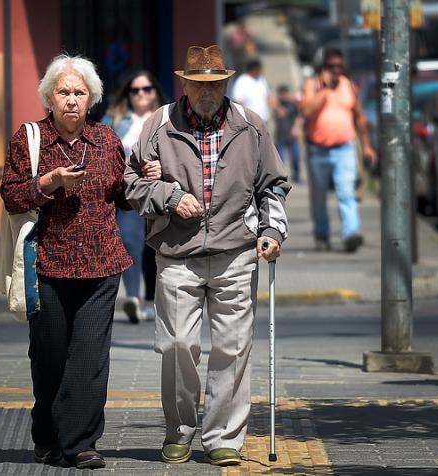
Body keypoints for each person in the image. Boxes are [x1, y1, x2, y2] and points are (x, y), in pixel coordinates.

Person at [124, 45, 290, 467]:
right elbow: (131, 182)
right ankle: (179, 429)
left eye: (214, 85)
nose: (206, 92)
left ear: (225, 84)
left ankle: (223, 437)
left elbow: (272, 185)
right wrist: (168, 196)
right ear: (184, 83)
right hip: (176, 253)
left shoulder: (251, 127)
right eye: (198, 84)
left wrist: (272, 231)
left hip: (235, 251)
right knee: (178, 344)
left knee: (232, 348)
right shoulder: (158, 125)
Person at [0, 54, 132, 470]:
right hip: (48, 265)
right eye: (64, 92)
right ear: (49, 97)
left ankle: (82, 443)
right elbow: (11, 195)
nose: (72, 100)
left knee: (90, 358)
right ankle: (47, 435)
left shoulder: (107, 140)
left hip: (101, 264)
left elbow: (121, 196)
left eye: (79, 92)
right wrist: (50, 181)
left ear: (91, 98)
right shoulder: (29, 139)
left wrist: (146, 176)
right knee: (50, 356)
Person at [102, 71, 167, 323]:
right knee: (129, 242)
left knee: (154, 247)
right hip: (128, 193)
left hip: (159, 192)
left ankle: (151, 300)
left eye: (146, 89)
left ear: (155, 92)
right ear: (128, 94)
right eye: (135, 90)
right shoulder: (115, 120)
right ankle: (132, 298)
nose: (141, 94)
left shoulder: (167, 118)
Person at [300, 48, 375, 253]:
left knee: (347, 192)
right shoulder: (312, 85)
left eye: (339, 66)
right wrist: (324, 89)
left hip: (345, 147)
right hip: (318, 150)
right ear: (322, 67)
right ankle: (322, 236)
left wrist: (367, 146)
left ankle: (351, 233)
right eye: (331, 66)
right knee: (319, 198)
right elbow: (307, 110)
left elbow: (359, 118)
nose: (336, 70)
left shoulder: (347, 85)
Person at [230, 58, 279, 124]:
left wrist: (278, 108)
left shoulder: (261, 79)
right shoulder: (242, 81)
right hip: (250, 122)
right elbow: (238, 101)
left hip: (263, 120)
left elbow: (268, 97)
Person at [275, 84, 303, 183]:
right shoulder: (278, 106)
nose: (283, 96)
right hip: (281, 136)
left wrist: (296, 128)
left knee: (296, 156)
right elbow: (280, 114)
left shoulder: (293, 104)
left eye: (284, 94)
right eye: (281, 94)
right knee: (280, 159)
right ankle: (281, 178)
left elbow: (299, 117)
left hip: (292, 135)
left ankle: (296, 175)